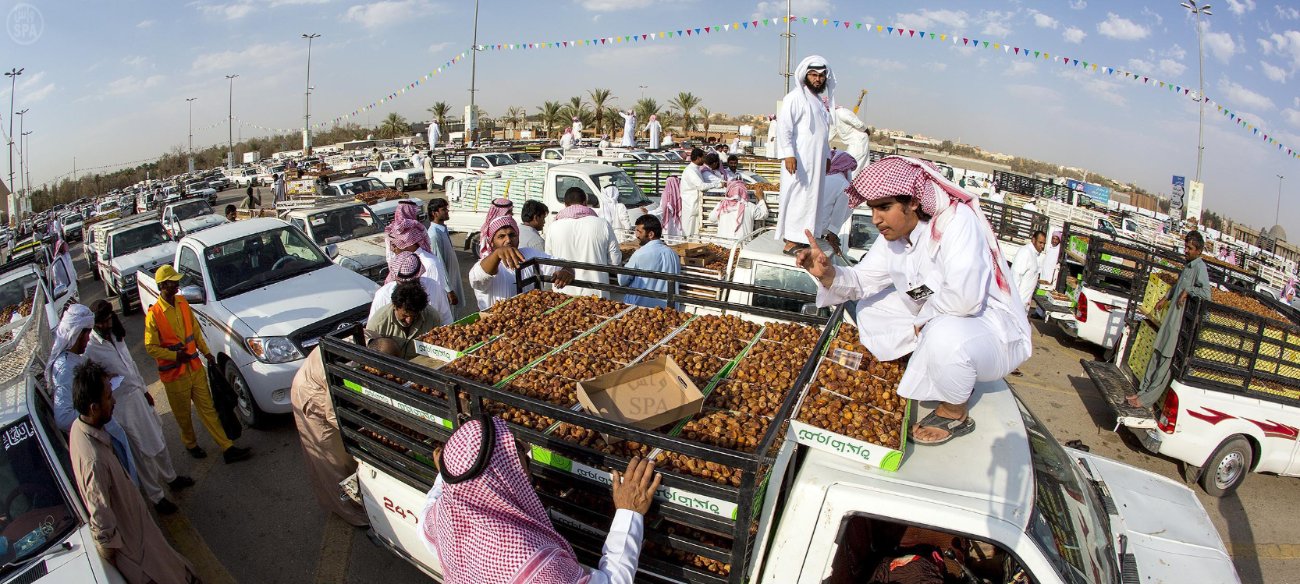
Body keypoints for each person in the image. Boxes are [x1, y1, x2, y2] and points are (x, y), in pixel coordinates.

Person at [798, 156, 1031, 445]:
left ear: (913, 203)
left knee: (944, 337)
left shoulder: (957, 223)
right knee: (872, 309)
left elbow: (966, 299)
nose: (875, 219)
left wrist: (925, 320)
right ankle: (926, 358)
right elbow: (861, 281)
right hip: (938, 311)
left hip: (991, 329)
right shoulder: (893, 239)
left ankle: (954, 410)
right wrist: (829, 273)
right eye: (872, 209)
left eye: (884, 207)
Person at [420, 416, 661, 584]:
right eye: (515, 451)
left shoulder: (442, 515)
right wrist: (629, 513)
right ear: (503, 475)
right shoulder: (531, 562)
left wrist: (447, 475)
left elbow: (427, 516)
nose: (525, 448)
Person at [68, 361, 198, 584]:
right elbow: (102, 521)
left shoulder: (81, 430)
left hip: (142, 535)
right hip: (140, 555)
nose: (114, 401)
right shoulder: (94, 459)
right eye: (108, 397)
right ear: (93, 408)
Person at [85, 301, 192, 515]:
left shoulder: (116, 335)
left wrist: (145, 390)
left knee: (158, 439)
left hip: (138, 396)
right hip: (121, 405)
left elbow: (131, 365)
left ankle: (171, 477)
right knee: (141, 452)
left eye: (108, 320)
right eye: (102, 322)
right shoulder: (90, 349)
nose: (107, 325)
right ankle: (157, 496)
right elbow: (93, 380)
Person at [144, 265, 252, 463]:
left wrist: (208, 354)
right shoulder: (154, 315)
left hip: (194, 369)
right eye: (172, 282)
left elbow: (194, 332)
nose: (177, 284)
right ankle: (190, 443)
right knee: (183, 416)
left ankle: (227, 447)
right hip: (175, 377)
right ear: (163, 285)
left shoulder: (183, 303)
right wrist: (174, 356)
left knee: (208, 409)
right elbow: (151, 347)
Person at [292, 341, 381, 528]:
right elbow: (333, 414)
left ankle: (361, 501)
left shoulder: (372, 340)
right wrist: (364, 433)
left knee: (347, 457)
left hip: (324, 389)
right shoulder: (342, 368)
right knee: (334, 461)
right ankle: (353, 513)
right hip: (313, 400)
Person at [49, 305, 137, 482]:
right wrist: (94, 409)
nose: (89, 339)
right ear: (76, 334)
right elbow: (64, 418)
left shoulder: (73, 359)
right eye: (86, 334)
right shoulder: (65, 368)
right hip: (98, 439)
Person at [1128, 231, 1211, 408]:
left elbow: (1206, 293)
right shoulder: (1187, 266)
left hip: (1178, 326)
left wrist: (1189, 291)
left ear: (1199, 251)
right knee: (1155, 355)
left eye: (1190, 248)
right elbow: (1177, 286)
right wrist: (1165, 298)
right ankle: (1142, 392)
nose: (1186, 251)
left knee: (1164, 365)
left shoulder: (1199, 268)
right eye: (1186, 247)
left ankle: (1145, 400)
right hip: (1169, 320)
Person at [776, 55, 836, 255]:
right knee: (798, 196)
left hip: (816, 161)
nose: (817, 79)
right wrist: (788, 154)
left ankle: (804, 237)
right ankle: (791, 240)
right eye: (813, 75)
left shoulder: (819, 102)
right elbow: (784, 128)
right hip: (799, 160)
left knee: (812, 198)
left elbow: (823, 134)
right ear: (805, 75)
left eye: (821, 76)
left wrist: (827, 157)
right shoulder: (794, 97)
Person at [470, 216, 574, 310]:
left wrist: (566, 270)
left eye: (512, 235)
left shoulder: (529, 253)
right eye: (501, 237)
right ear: (491, 242)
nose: (508, 240)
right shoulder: (484, 265)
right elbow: (478, 278)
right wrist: (497, 254)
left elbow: (563, 265)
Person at [546, 188, 622, 298]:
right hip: (596, 294)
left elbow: (549, 264)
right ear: (585, 203)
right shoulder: (602, 224)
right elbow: (615, 261)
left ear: (565, 205)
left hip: (563, 293)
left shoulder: (553, 227)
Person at [370, 251, 453, 326]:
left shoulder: (433, 287)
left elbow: (446, 318)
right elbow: (372, 329)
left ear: (419, 276)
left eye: (413, 282)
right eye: (404, 284)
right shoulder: (382, 295)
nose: (409, 289)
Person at [367, 280, 440, 359]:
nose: (409, 320)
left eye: (414, 316)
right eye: (405, 315)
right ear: (395, 306)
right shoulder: (378, 322)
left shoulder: (432, 317)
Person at [620, 215, 680, 308]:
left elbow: (622, 280)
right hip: (669, 309)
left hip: (641, 308)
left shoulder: (640, 254)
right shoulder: (673, 254)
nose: (636, 235)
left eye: (639, 231)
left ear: (651, 234)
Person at [425, 199, 463, 309]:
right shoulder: (434, 235)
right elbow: (439, 264)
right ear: (434, 213)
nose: (447, 211)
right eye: (443, 210)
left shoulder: (442, 230)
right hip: (447, 287)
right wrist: (449, 290)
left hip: (452, 279)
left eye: (446, 209)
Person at [820, 150, 859, 254]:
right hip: (819, 234)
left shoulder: (819, 178)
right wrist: (832, 236)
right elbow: (838, 215)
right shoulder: (843, 184)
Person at [680, 148, 723, 238]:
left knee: (696, 230)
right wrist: (717, 185)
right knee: (689, 231)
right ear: (698, 158)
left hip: (695, 203)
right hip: (690, 204)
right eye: (703, 157)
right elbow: (701, 186)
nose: (704, 160)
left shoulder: (696, 169)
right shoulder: (690, 171)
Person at [1011, 231, 1047, 309]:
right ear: (1033, 240)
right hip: (1018, 303)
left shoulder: (1035, 255)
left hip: (1025, 303)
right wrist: (1014, 301)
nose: (1042, 246)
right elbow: (1015, 276)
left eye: (1044, 244)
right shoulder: (1025, 252)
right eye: (1040, 242)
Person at [833, 106, 871, 175]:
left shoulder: (841, 112)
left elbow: (856, 122)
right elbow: (830, 134)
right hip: (854, 142)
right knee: (853, 166)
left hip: (859, 140)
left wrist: (865, 129)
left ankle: (851, 184)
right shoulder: (832, 117)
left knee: (852, 165)